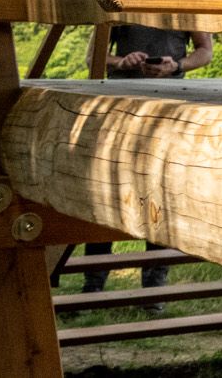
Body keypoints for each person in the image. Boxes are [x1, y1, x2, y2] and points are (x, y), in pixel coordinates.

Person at [79, 23, 212, 289]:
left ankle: (154, 285)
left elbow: (205, 50)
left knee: (161, 190)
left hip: (170, 101)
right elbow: (93, 55)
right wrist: (122, 61)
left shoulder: (184, 0)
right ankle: (93, 282)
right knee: (109, 189)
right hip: (121, 102)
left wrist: (175, 66)